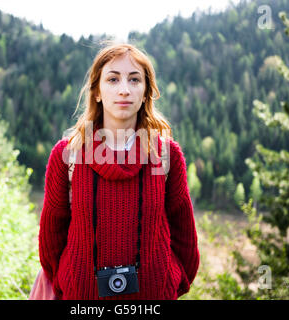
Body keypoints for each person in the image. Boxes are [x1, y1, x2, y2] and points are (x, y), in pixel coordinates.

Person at [38, 43, 199, 300]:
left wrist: (171, 281)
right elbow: (51, 238)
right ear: (97, 92)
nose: (124, 89)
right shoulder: (67, 155)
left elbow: (185, 236)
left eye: (135, 80)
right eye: (113, 79)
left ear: (146, 92)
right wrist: (67, 283)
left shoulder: (166, 156)